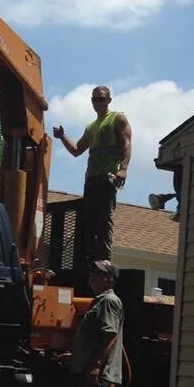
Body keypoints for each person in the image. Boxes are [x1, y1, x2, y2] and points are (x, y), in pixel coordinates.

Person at [53, 86, 132, 264]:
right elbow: (76, 150)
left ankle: (103, 259)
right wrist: (62, 136)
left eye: (101, 99)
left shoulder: (117, 118)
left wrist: (123, 168)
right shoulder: (91, 127)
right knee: (89, 220)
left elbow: (126, 144)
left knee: (104, 218)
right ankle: (90, 258)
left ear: (109, 100)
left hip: (108, 176)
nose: (98, 102)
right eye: (95, 99)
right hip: (91, 178)